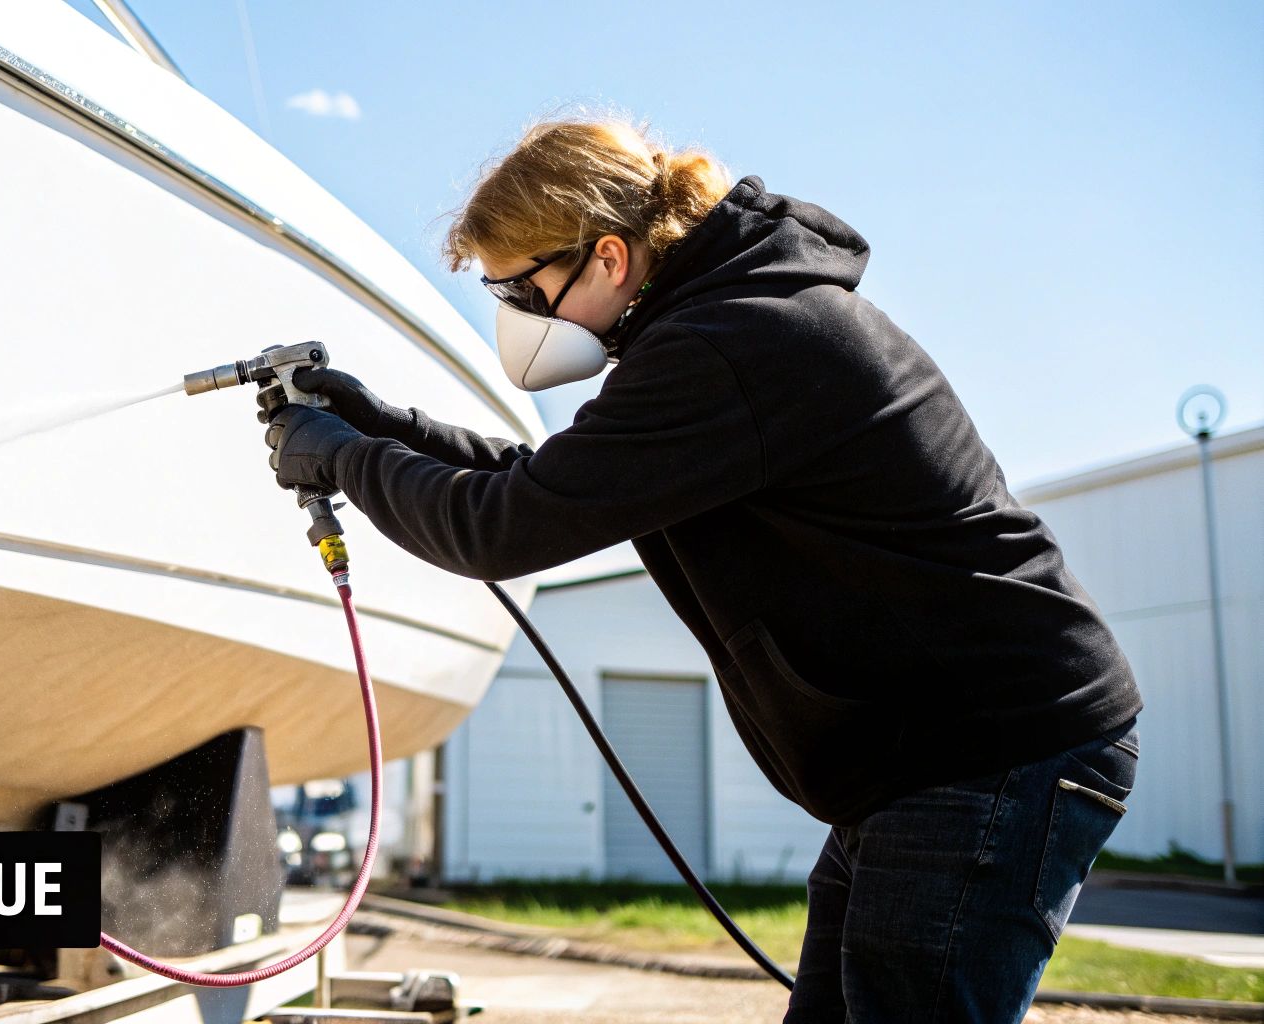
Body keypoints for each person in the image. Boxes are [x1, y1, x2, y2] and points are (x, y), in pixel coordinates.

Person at [260, 115, 1143, 1021]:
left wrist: (342, 460)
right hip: (930, 752)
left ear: (607, 258)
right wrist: (380, 426)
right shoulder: (721, 318)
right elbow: (545, 482)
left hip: (991, 744)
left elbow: (502, 528)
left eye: (521, 288)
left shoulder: (731, 344)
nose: (515, 315)